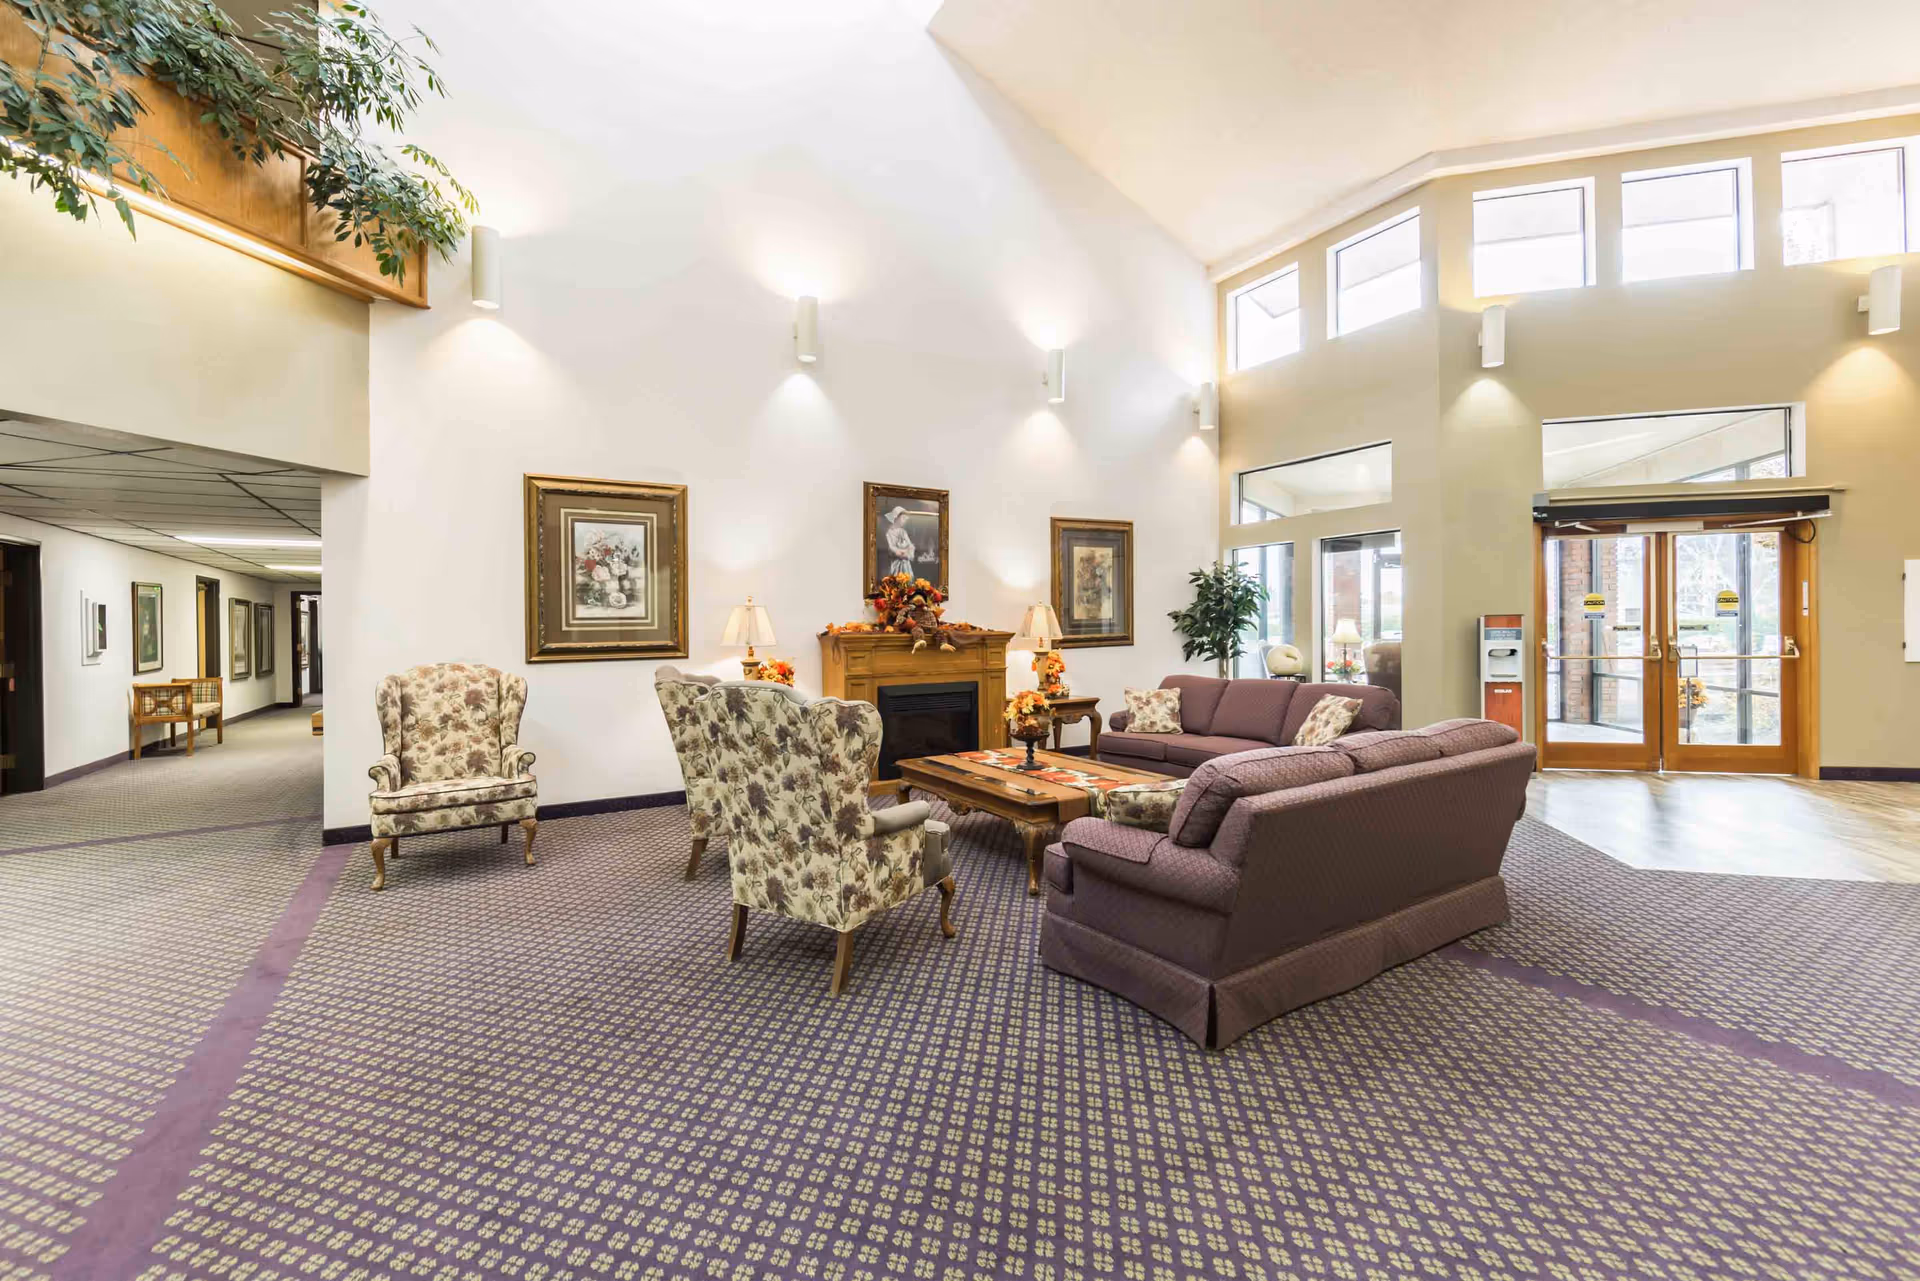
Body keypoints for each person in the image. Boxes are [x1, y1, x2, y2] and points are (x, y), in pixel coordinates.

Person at [883, 507, 916, 578]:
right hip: (895, 565)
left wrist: (907, 552)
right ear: (896, 517)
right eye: (903, 518)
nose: (904, 521)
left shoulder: (903, 532)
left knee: (907, 580)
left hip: (906, 564)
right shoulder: (889, 533)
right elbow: (891, 547)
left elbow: (911, 546)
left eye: (905, 519)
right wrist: (900, 552)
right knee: (896, 580)